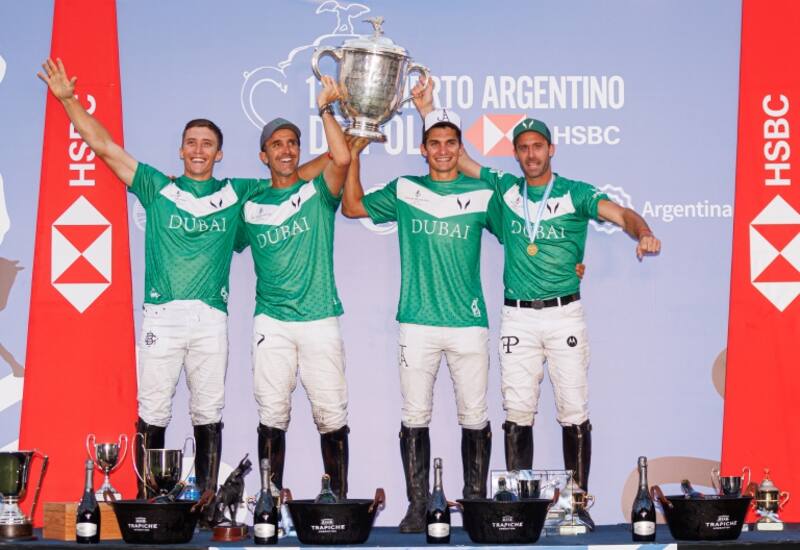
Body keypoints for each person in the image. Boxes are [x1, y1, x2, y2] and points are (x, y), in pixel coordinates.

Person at [38, 58, 265, 499]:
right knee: (153, 409)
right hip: (161, 317)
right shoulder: (156, 186)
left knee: (208, 411)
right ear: (180, 150)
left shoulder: (238, 191)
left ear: (219, 154)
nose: (198, 150)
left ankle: (206, 502)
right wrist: (67, 100)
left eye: (207, 144)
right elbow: (104, 147)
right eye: (191, 143)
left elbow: (291, 179)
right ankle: (148, 499)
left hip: (210, 318)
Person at [434, 98, 661, 527]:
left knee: (573, 410)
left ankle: (576, 506)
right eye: (523, 147)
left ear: (551, 149)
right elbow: (460, 159)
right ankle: (522, 506)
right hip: (518, 317)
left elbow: (621, 214)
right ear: (516, 153)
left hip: (564, 316)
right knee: (517, 413)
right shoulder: (504, 188)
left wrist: (644, 232)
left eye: (538, 146)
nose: (531, 154)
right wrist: (430, 107)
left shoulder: (576, 192)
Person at [340, 108, 496, 532]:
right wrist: (354, 156)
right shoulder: (406, 189)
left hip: (469, 322)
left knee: (475, 416)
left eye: (450, 144)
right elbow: (352, 207)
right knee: (414, 415)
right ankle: (417, 504)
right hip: (417, 320)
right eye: (434, 144)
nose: (442, 151)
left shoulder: (483, 192)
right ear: (423, 149)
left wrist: (566, 265)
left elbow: (520, 235)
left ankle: (477, 504)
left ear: (459, 149)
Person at [238, 76, 352, 499]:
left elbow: (340, 157)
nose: (286, 150)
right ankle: (269, 498)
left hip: (321, 317)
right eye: (277, 144)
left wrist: (326, 110)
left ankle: (336, 497)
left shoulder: (317, 194)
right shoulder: (248, 203)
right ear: (263, 154)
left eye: (292, 143)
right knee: (272, 414)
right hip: (273, 322)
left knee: (332, 414)